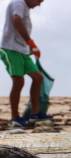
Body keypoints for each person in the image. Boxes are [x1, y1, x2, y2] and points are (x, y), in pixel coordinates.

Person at [0, 0, 45, 128]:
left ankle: (35, 114)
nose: (39, 4)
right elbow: (16, 20)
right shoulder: (18, 3)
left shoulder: (25, 7)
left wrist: (29, 47)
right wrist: (31, 42)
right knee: (18, 81)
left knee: (38, 77)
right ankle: (15, 118)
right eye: (39, 0)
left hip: (22, 50)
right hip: (10, 48)